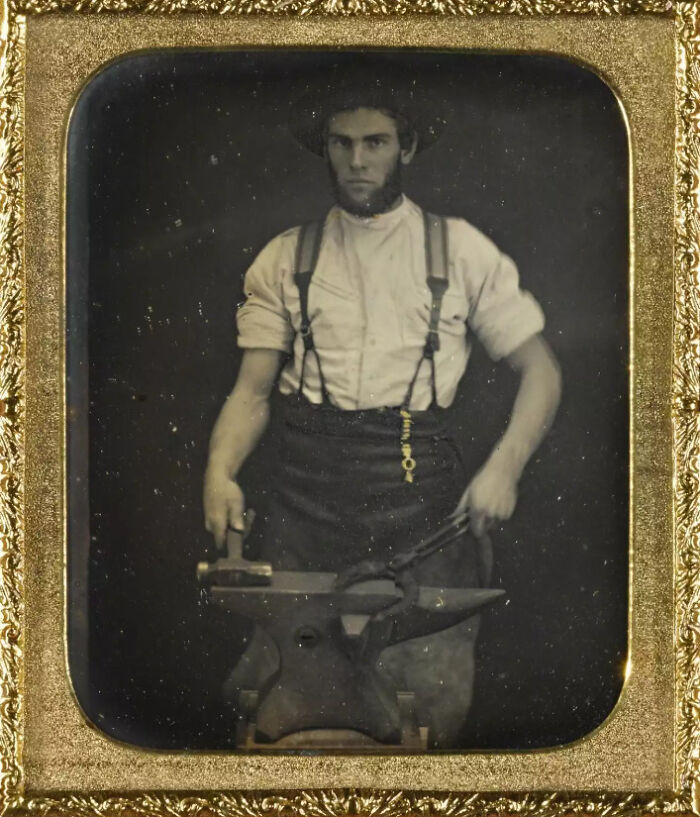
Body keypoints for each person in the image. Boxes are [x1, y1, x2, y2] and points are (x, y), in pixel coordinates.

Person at [203, 71, 562, 748]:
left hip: (424, 519)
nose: (358, 160)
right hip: (307, 517)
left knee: (419, 712)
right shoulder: (286, 258)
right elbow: (251, 392)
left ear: (409, 147)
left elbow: (541, 371)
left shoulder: (459, 252)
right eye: (342, 144)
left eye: (376, 142)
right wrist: (220, 470)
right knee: (282, 711)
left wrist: (504, 468)